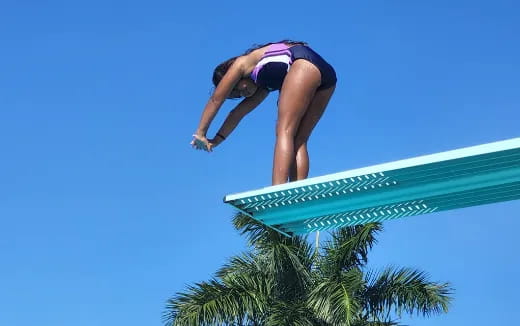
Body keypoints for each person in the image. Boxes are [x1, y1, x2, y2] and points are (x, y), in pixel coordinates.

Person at [191, 40, 337, 185]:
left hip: (303, 63)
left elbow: (216, 99)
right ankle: (298, 195)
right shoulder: (263, 86)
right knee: (299, 139)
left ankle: (276, 191)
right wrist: (215, 140)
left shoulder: (242, 63)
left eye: (236, 88)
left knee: (284, 131)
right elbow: (237, 114)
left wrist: (200, 133)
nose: (243, 93)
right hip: (326, 76)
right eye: (238, 96)